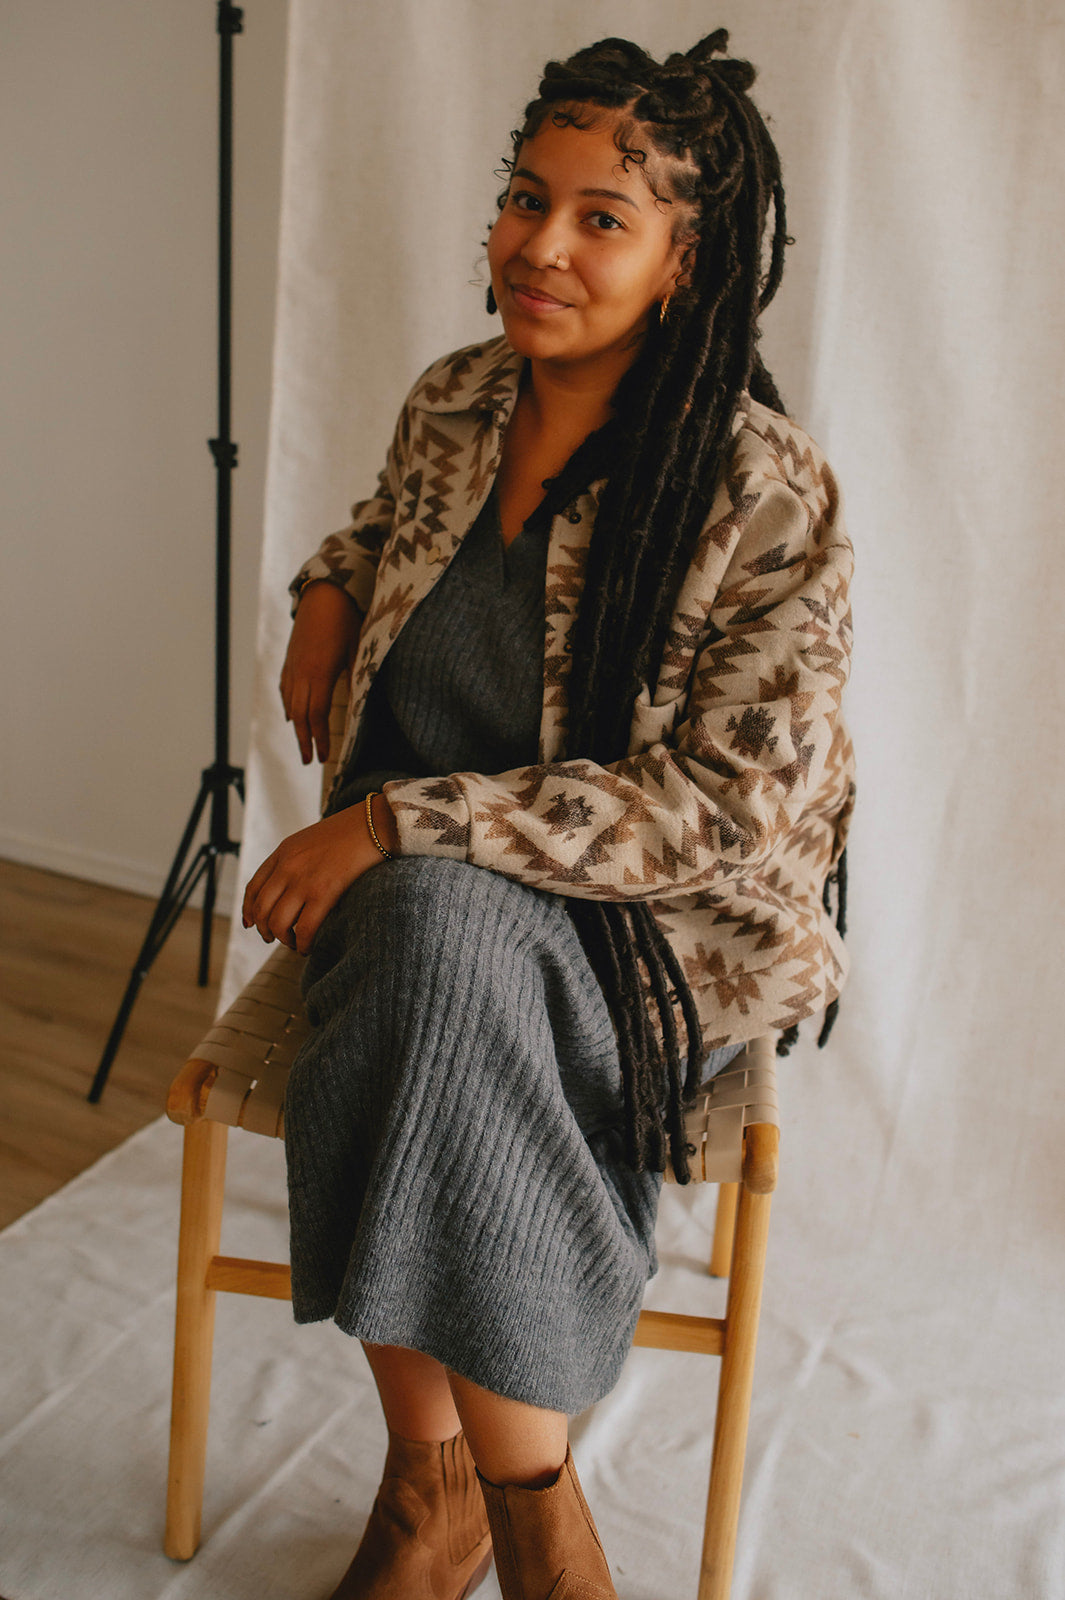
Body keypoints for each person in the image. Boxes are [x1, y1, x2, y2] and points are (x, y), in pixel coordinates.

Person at [242, 31, 854, 1600]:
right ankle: (496, 1506)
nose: (540, 245)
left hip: (637, 948)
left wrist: (395, 824)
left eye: (601, 217)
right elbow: (388, 526)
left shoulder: (759, 487)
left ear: (681, 260)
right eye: (527, 198)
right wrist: (327, 588)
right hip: (409, 916)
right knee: (421, 951)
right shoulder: (456, 399)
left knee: (421, 962)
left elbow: (721, 803)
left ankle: (472, 1496)